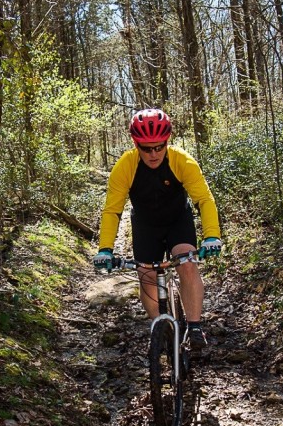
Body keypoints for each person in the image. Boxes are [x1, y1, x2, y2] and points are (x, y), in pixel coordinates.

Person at [93, 108, 222, 349]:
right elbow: (112, 210)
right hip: (145, 225)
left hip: (177, 222)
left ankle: (194, 327)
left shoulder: (182, 161)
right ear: (136, 144)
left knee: (187, 264)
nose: (153, 154)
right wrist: (105, 249)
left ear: (167, 141)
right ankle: (161, 328)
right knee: (147, 276)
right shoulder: (126, 166)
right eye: (146, 148)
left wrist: (212, 236)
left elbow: (204, 199)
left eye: (159, 147)